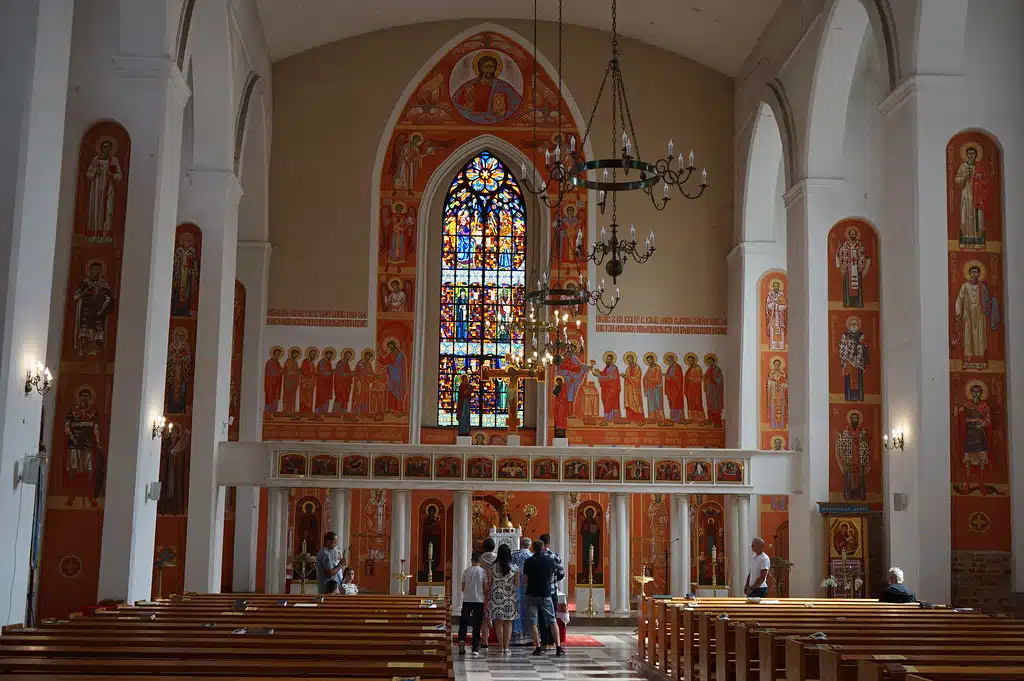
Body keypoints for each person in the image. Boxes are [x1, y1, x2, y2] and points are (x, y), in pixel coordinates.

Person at [523, 540, 564, 657]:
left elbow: (525, 581)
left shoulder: (528, 561)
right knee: (552, 621)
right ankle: (558, 648)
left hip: (531, 594)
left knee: (533, 623)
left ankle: (538, 648)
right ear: (543, 548)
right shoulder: (551, 561)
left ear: (533, 548)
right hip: (546, 594)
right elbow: (553, 576)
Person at [488, 544, 520, 655]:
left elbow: (489, 583)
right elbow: (516, 584)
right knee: (508, 623)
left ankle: (501, 647)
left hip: (496, 596)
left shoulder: (493, 567)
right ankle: (506, 647)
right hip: (510, 597)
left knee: (498, 623)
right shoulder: (515, 567)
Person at [458, 551, 488, 657]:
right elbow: (485, 588)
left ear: (471, 560)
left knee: (464, 622)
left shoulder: (466, 571)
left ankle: (461, 640)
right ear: (480, 561)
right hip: (479, 600)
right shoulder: (483, 572)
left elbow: (462, 588)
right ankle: (475, 648)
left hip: (467, 600)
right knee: (477, 624)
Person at [538, 533, 565, 649]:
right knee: (552, 616)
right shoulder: (555, 556)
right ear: (549, 543)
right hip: (552, 590)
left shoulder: (537, 556)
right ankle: (552, 642)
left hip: (540, 590)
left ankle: (544, 642)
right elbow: (561, 574)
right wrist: (554, 581)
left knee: (541, 616)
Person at [511, 536, 533, 645]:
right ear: (529, 545)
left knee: (518, 610)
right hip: (529, 588)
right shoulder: (532, 556)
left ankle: (517, 636)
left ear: (521, 544)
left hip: (516, 588)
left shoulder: (514, 556)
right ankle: (530, 637)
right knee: (529, 611)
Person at [478, 538, 497, 648]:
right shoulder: (496, 558)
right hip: (495, 588)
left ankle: (485, 640)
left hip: (483, 588)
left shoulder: (480, 559)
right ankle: (500, 640)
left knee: (484, 615)